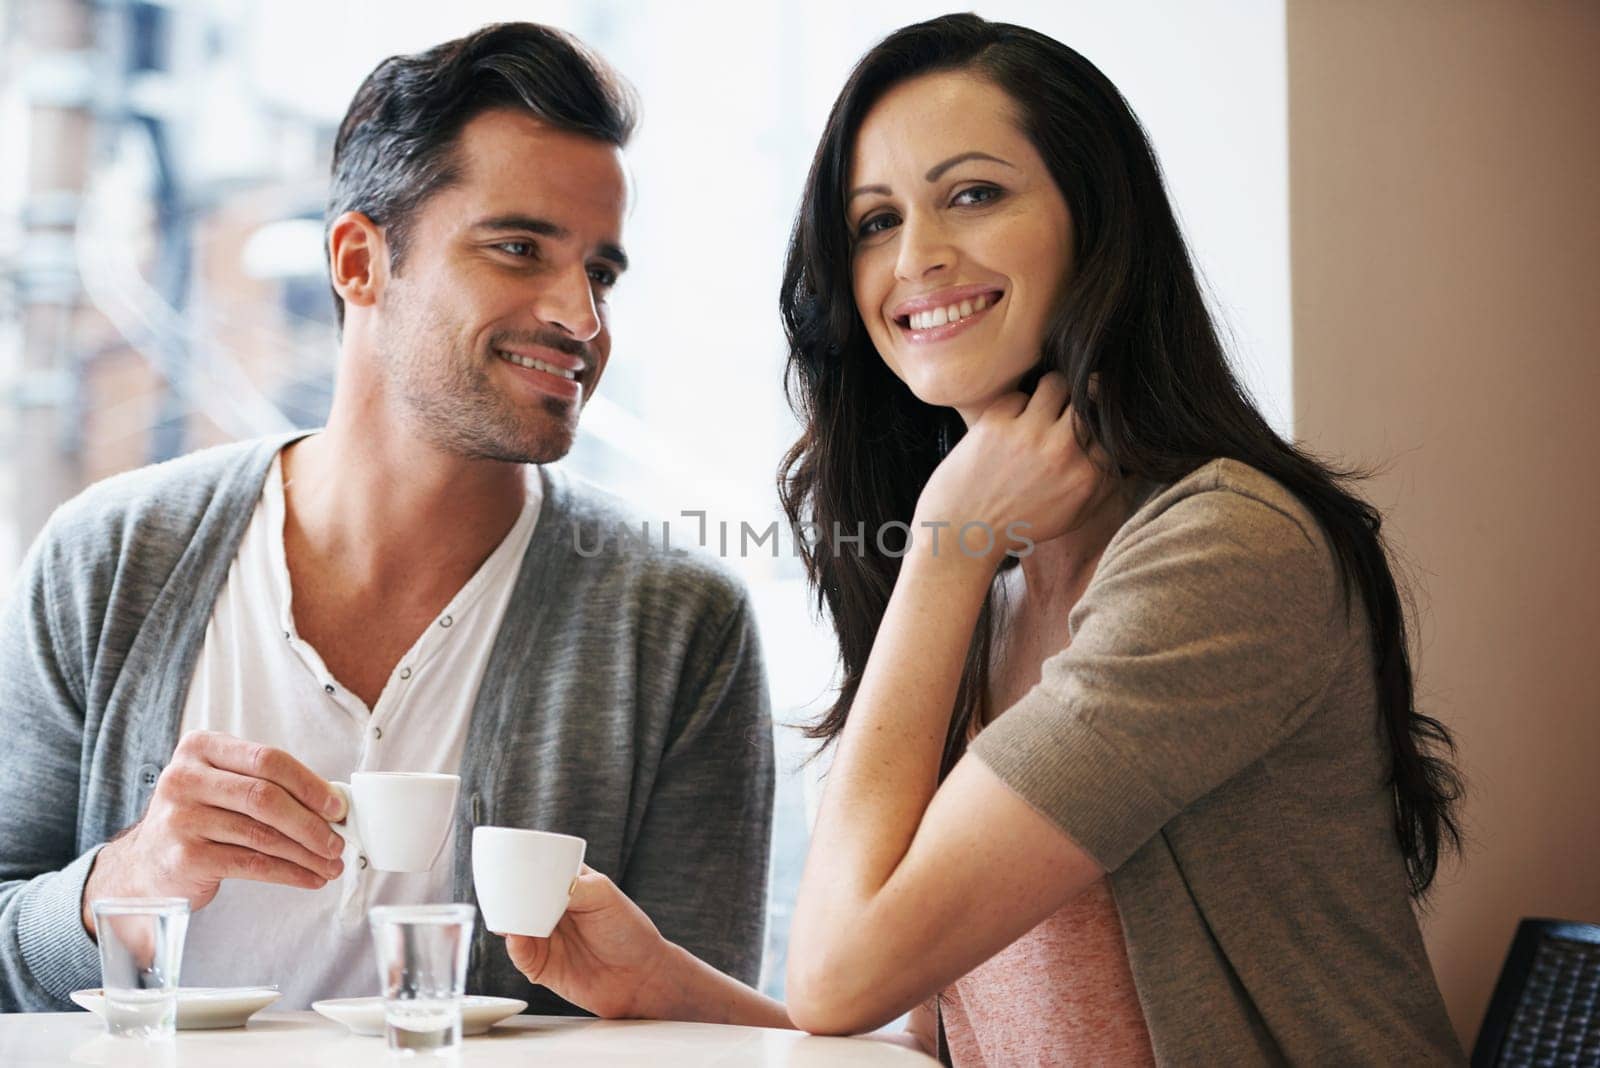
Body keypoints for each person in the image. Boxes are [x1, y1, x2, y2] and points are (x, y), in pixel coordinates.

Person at [487, 14, 1467, 1065]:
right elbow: (943, 1038)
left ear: (1095, 222)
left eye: (972, 194)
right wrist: (671, 990)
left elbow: (836, 973)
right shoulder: (999, 583)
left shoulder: (1220, 552)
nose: (916, 258)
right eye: (872, 222)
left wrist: (944, 551)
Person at [0, 22, 773, 1014]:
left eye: (602, 272)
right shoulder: (106, 561)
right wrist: (125, 883)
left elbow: (699, 1040)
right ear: (360, 261)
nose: (580, 316)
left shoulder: (675, 625)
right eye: (520, 247)